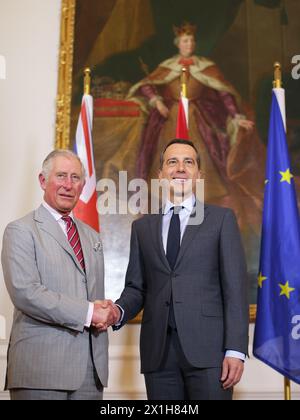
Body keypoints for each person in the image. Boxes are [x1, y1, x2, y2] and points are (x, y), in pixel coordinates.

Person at [114, 139, 249, 400]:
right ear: (161, 175)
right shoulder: (142, 228)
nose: (180, 168)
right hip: (158, 355)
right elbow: (136, 288)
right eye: (172, 162)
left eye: (189, 162)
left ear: (199, 175)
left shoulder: (222, 220)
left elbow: (235, 288)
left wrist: (235, 350)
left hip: (211, 355)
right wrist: (117, 311)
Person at [1, 150, 120, 400]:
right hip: (41, 369)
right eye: (61, 176)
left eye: (75, 177)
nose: (68, 184)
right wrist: (89, 312)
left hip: (90, 372)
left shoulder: (91, 236)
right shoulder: (21, 230)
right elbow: (26, 293)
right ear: (43, 181)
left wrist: (106, 311)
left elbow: (92, 296)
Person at [128, 22, 265, 233]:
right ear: (178, 44)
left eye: (191, 40)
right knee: (166, 157)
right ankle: (168, 202)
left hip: (198, 119)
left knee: (202, 157)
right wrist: (156, 100)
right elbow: (147, 84)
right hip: (170, 120)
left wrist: (236, 116)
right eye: (185, 40)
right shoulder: (168, 66)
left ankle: (202, 200)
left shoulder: (205, 66)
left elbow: (224, 93)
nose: (189, 43)